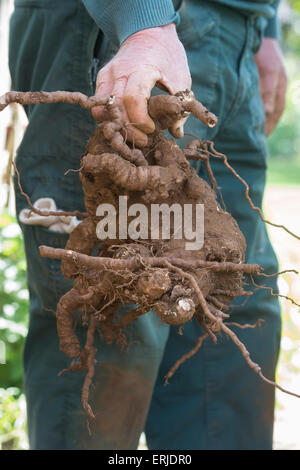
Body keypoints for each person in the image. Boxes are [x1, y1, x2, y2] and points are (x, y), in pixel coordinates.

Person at [9, 0, 286, 449]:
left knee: (230, 304)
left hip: (231, 37)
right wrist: (140, 20)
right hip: (121, 38)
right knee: (110, 327)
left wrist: (264, 28)